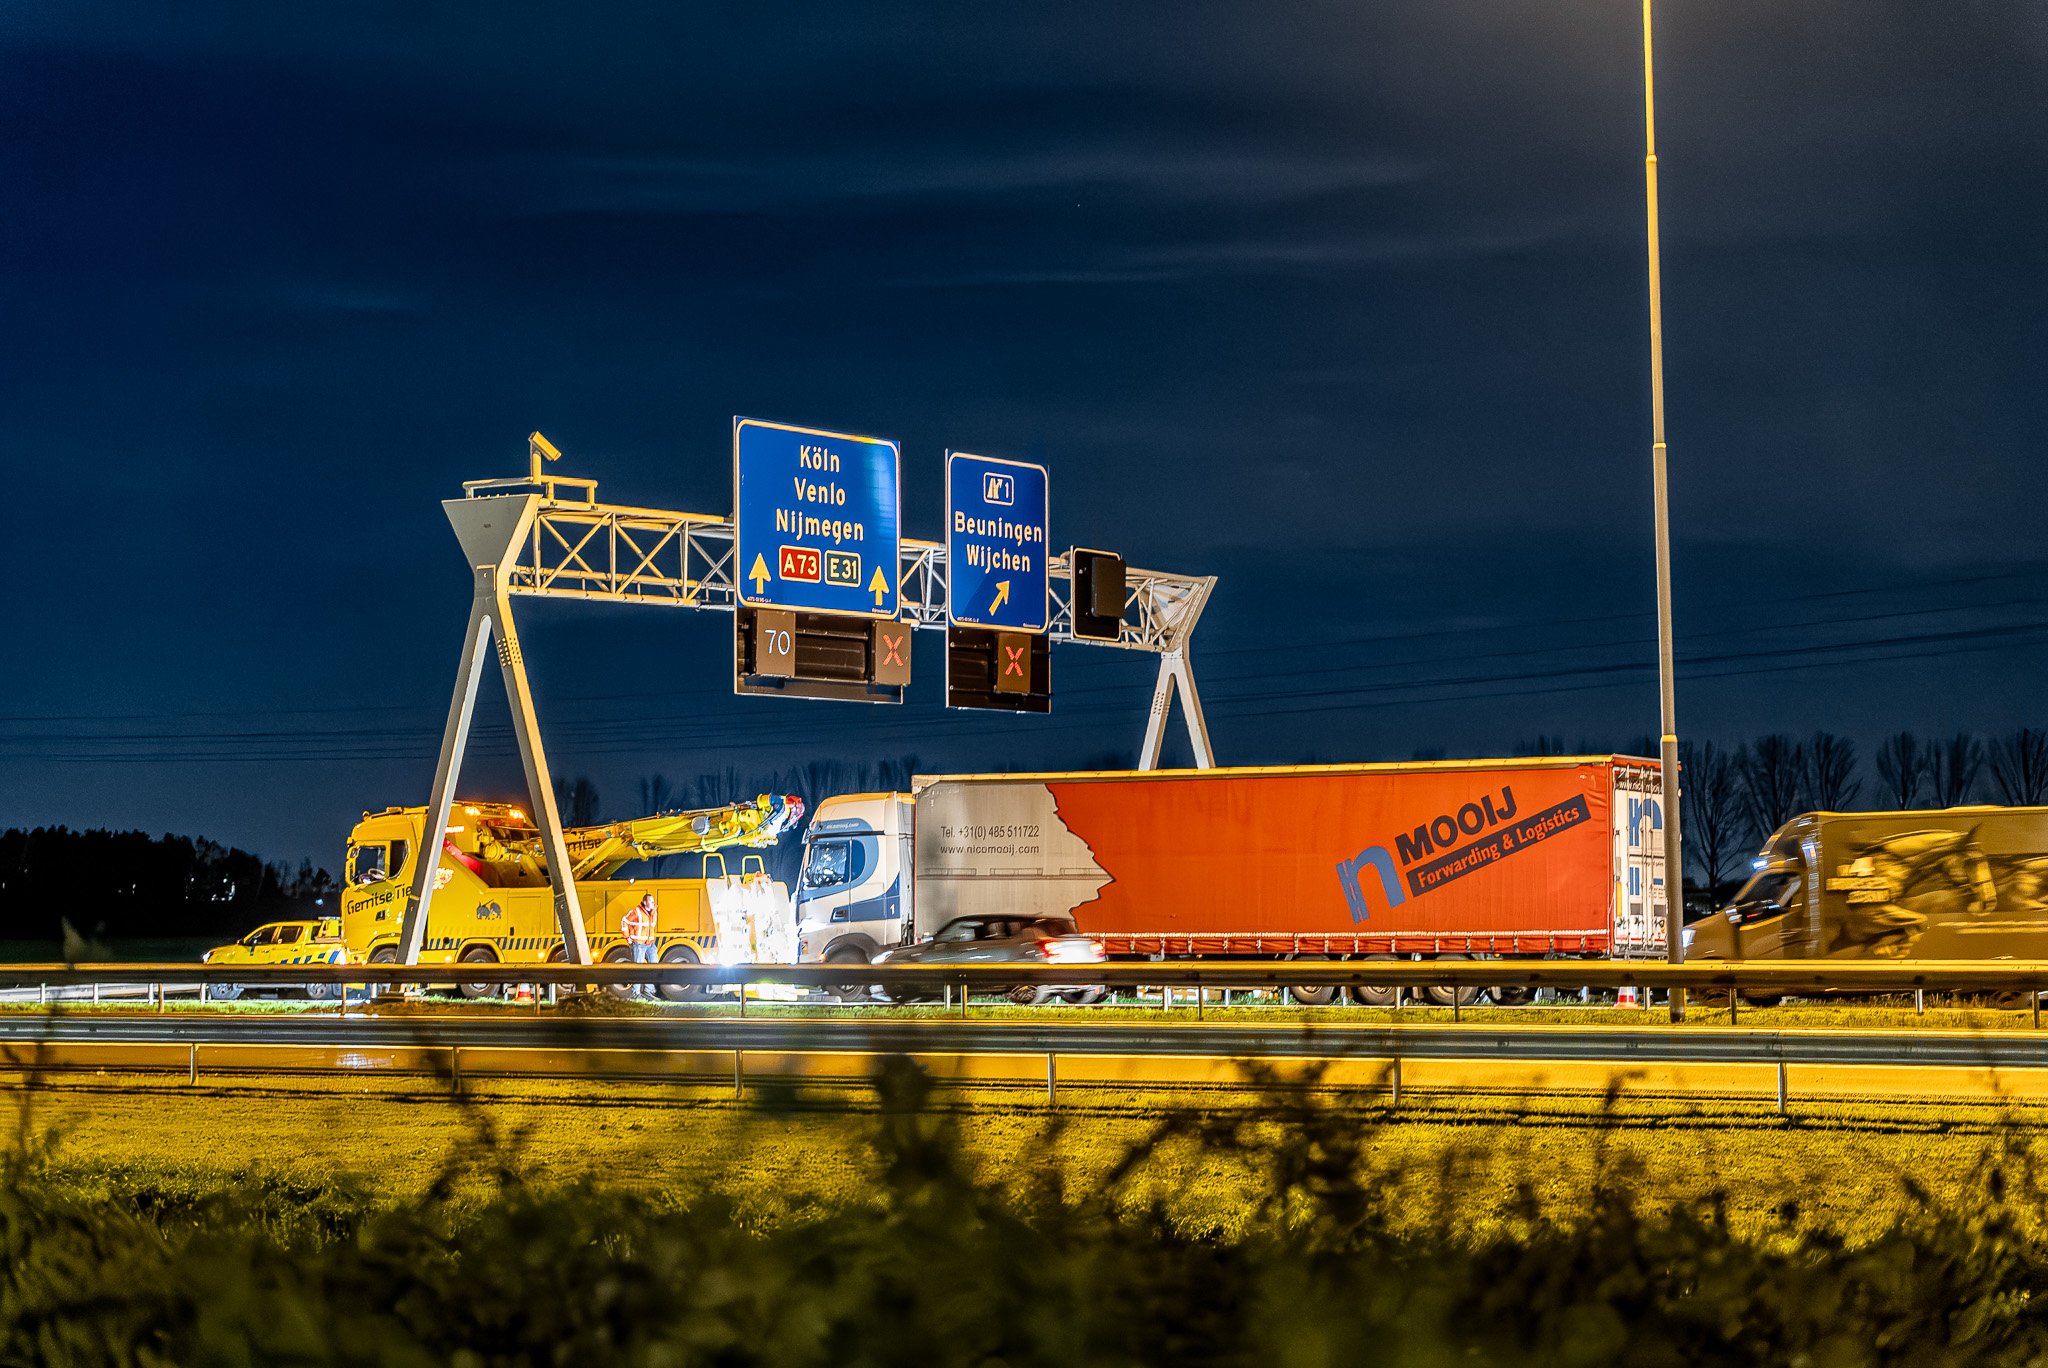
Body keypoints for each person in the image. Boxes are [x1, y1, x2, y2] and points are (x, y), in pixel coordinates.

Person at [621, 893, 659, 998]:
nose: (653, 903)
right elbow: (624, 921)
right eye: (651, 901)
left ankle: (648, 991)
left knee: (654, 966)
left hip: (649, 944)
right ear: (645, 902)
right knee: (638, 968)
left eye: (653, 901)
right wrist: (627, 937)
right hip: (638, 944)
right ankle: (636, 993)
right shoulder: (636, 912)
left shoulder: (654, 912)